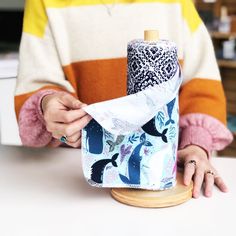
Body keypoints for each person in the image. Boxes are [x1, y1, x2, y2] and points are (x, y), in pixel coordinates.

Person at [15, 0, 233, 198]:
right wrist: (49, 106)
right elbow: (37, 82)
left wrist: (195, 144)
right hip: (75, 186)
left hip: (163, 174)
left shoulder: (177, 3)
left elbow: (203, 86)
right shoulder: (44, 3)